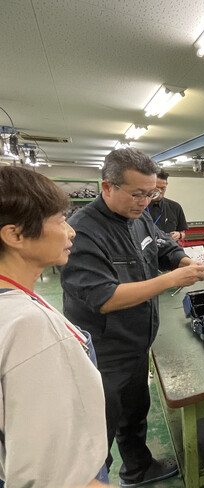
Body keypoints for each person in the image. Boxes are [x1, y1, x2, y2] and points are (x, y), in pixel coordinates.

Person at [60, 148, 204, 487]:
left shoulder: (137, 216)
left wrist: (183, 262)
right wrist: (171, 280)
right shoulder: (83, 232)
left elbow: (161, 246)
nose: (145, 201)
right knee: (101, 426)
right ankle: (95, 479)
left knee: (134, 411)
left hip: (137, 341)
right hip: (104, 351)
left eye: (152, 193)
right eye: (137, 193)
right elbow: (105, 298)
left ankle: (138, 468)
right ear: (108, 187)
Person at [0, 166, 108, 487]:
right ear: (15, 235)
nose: (71, 232)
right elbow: (55, 478)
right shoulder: (29, 327)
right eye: (60, 221)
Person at [147, 169, 188, 242]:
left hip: (169, 250)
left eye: (162, 188)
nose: (159, 191)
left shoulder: (175, 207)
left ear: (166, 185)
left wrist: (179, 235)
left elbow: (183, 233)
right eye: (156, 188)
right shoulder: (140, 207)